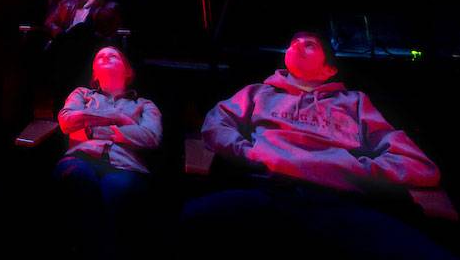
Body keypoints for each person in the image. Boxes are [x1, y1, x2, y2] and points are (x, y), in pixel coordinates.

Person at [182, 31, 454, 260]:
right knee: (186, 223)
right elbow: (215, 125)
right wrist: (248, 152)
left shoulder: (354, 102)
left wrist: (355, 170)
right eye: (293, 43)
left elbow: (419, 165)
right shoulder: (258, 92)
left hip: (339, 204)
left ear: (330, 68)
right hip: (269, 193)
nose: (297, 46)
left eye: (309, 44)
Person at [52, 46, 161, 258]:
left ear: (127, 70)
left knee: (118, 190)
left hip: (126, 166)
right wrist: (119, 119)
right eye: (100, 56)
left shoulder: (144, 105)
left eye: (113, 55)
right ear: (94, 73)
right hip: (81, 158)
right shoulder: (81, 94)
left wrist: (93, 127)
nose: (106, 57)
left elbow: (151, 137)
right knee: (76, 178)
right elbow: (66, 121)